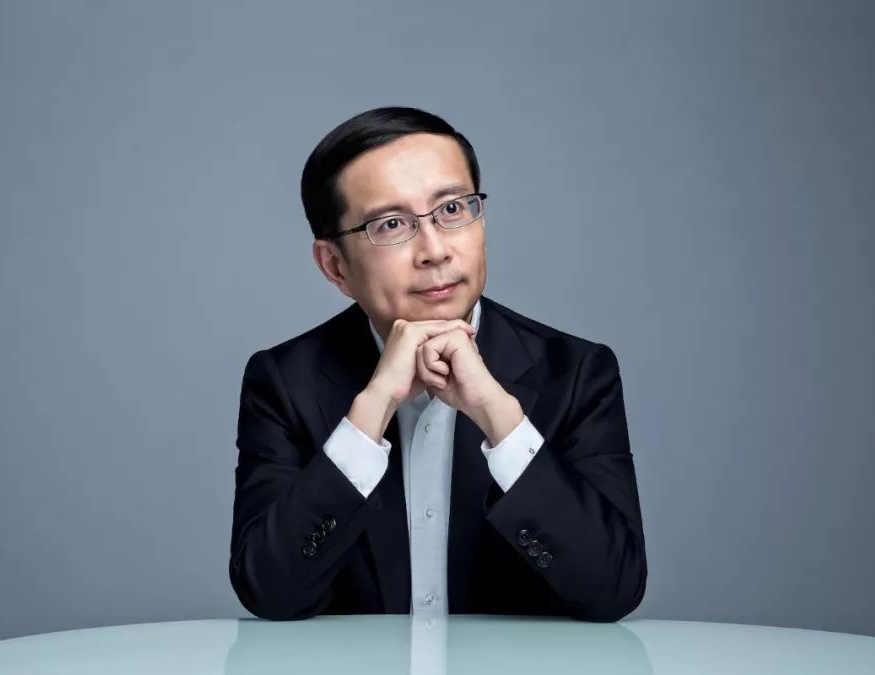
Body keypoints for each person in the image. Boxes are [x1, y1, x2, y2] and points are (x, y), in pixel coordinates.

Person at [228, 106, 646, 621]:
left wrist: (498, 415)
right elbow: (269, 592)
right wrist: (371, 410)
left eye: (451, 210)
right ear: (335, 266)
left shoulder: (576, 372)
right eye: (391, 224)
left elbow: (614, 590)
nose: (434, 251)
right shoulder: (283, 381)